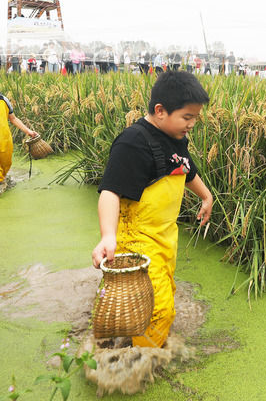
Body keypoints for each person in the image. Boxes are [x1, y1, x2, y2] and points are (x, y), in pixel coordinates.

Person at [91, 70, 213, 348]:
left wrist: (206, 196)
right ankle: (139, 365)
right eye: (187, 117)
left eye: (195, 117)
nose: (192, 124)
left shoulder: (174, 136)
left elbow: (186, 167)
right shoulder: (133, 143)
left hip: (165, 239)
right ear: (160, 110)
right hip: (137, 240)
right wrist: (107, 236)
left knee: (162, 295)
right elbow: (110, 191)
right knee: (158, 310)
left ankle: (133, 343)